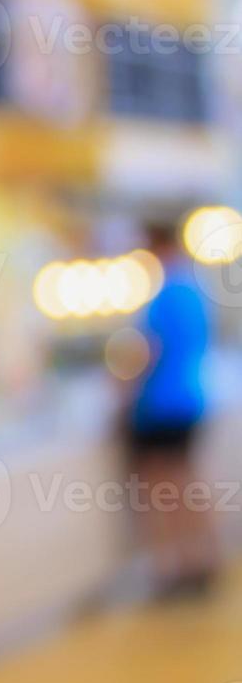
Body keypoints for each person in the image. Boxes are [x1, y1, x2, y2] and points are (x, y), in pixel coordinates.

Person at [128, 222, 217, 598]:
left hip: (160, 404)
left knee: (162, 490)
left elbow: (148, 352)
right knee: (187, 483)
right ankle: (201, 558)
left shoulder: (164, 295)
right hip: (192, 399)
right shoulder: (195, 290)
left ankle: (172, 565)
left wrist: (124, 391)